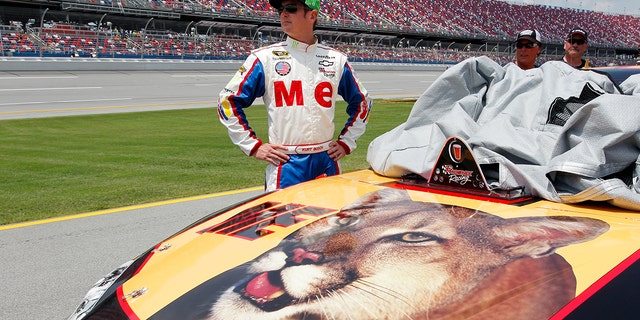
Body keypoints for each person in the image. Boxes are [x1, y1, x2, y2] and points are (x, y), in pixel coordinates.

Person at [217, 0, 372, 192]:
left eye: (290, 9)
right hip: (286, 162)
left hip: (326, 160)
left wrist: (346, 142)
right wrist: (253, 146)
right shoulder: (264, 58)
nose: (283, 14)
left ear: (312, 15)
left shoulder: (336, 59)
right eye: (281, 9)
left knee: (327, 221)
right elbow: (227, 101)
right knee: (282, 222)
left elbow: (363, 102)